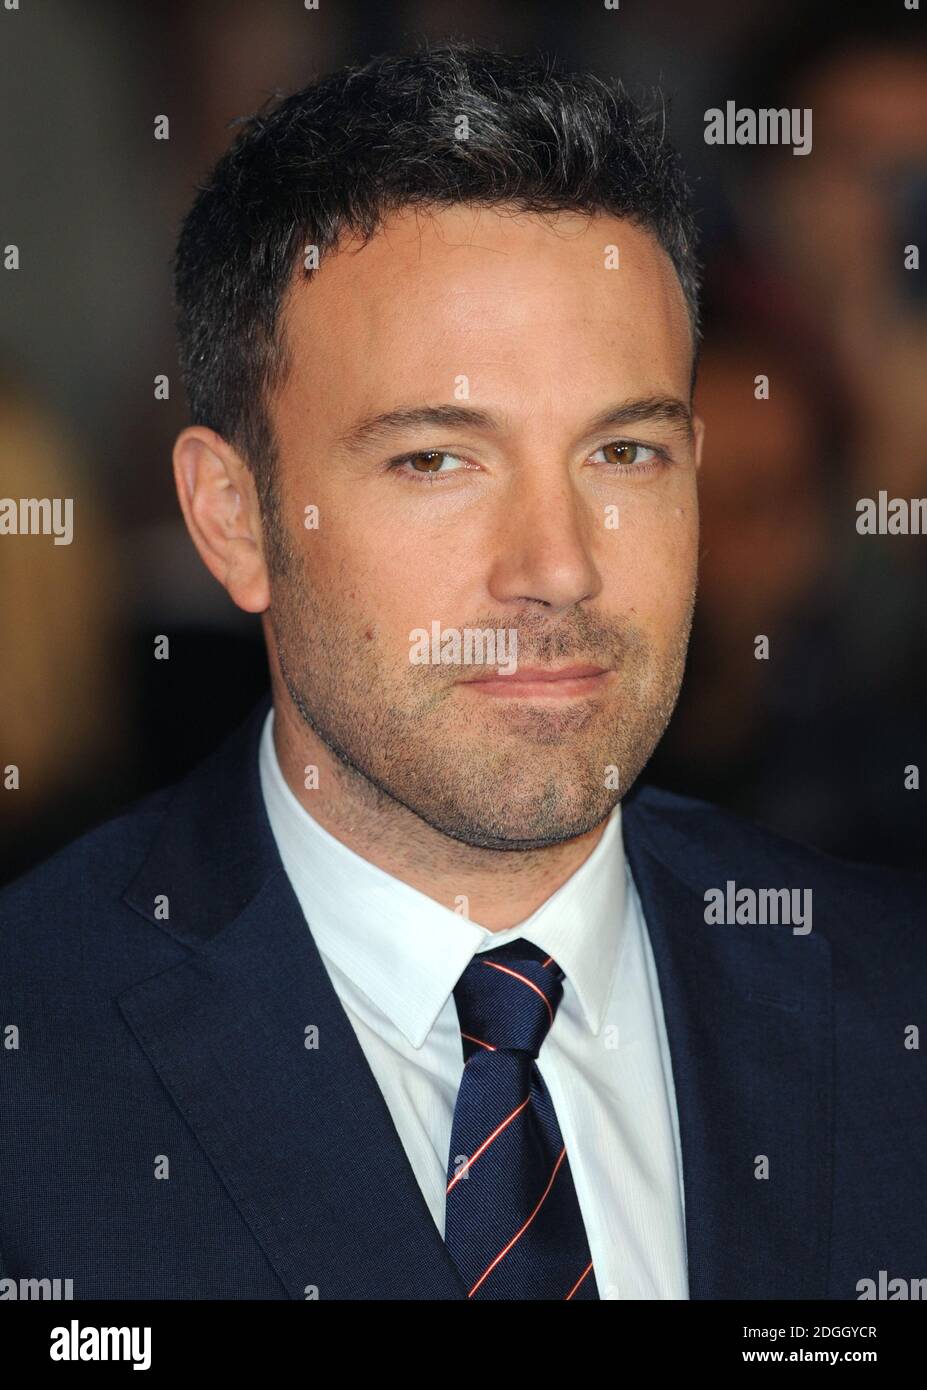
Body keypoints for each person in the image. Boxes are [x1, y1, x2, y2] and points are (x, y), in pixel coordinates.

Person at [1, 39, 923, 1303]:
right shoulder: (33, 1068)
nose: (558, 568)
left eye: (626, 454)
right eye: (437, 460)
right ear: (233, 519)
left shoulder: (889, 1004)